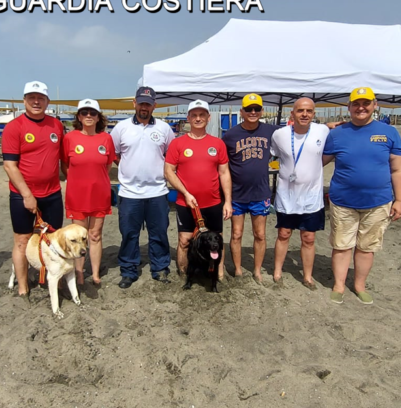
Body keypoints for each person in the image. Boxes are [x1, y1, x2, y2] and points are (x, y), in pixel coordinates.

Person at [323, 87, 401, 305]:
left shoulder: (389, 132)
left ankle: (359, 285)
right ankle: (339, 285)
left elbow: (398, 169)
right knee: (341, 245)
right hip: (343, 201)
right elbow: (318, 161)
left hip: (378, 202)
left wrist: (400, 200)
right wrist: (323, 129)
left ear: (374, 105)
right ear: (349, 107)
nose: (361, 108)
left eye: (366, 103)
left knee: (366, 247)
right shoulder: (336, 134)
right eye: (356, 104)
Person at [2, 81, 65, 297]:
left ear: (47, 101)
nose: (36, 102)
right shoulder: (14, 127)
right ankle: (22, 286)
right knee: (22, 240)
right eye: (31, 97)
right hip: (23, 195)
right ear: (24, 100)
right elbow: (10, 165)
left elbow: (63, 160)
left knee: (53, 239)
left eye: (41, 98)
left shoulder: (56, 125)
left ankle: (53, 279)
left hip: (52, 193)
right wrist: (27, 195)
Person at [111, 86, 175, 288]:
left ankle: (160, 267)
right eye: (141, 103)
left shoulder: (164, 129)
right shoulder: (121, 128)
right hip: (129, 193)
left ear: (154, 105)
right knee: (129, 234)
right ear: (134, 104)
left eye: (148, 103)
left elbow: (170, 157)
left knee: (159, 233)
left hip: (157, 191)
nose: (144, 107)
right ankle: (129, 270)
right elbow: (116, 155)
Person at [165, 100, 232, 280]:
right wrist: (186, 193)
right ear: (188, 118)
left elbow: (224, 173)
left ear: (208, 118)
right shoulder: (177, 144)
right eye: (194, 115)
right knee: (185, 240)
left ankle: (218, 272)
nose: (198, 118)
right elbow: (168, 171)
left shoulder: (217, 143)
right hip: (185, 202)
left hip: (213, 202)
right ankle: (184, 273)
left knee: (217, 240)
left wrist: (228, 202)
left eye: (202, 115)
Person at [270, 98, 329, 289]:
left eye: (309, 111)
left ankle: (308, 277)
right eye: (300, 110)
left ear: (314, 114)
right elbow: (275, 155)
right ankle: (277, 272)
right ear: (292, 113)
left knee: (308, 238)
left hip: (312, 196)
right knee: (284, 234)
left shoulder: (323, 131)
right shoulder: (279, 135)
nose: (305, 114)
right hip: (287, 195)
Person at [222, 94, 278, 283]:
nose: (253, 112)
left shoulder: (271, 130)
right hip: (237, 194)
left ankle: (257, 270)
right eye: (249, 109)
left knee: (260, 234)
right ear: (242, 112)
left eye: (256, 109)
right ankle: (238, 269)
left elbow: (296, 129)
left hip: (260, 193)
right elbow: (222, 165)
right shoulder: (230, 135)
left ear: (262, 111)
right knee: (236, 233)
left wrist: (328, 126)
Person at [61, 99, 115, 286]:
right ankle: (79, 273)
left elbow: (107, 165)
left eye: (93, 113)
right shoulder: (70, 138)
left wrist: (95, 181)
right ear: (79, 116)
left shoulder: (106, 139)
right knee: (79, 236)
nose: (89, 116)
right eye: (85, 113)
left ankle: (95, 273)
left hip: (100, 194)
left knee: (95, 234)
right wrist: (79, 182)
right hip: (77, 195)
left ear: (99, 116)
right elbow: (65, 166)